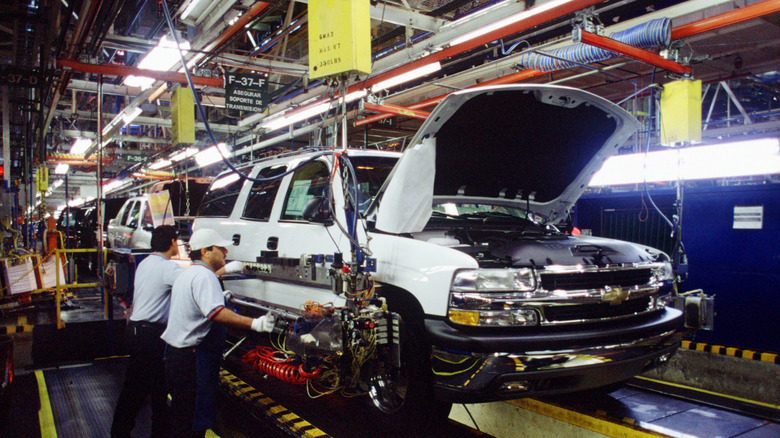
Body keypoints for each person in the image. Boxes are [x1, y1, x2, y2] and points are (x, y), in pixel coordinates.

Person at [161, 228, 275, 437]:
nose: (225, 251)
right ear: (206, 251)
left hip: (177, 356)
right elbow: (216, 314)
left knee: (182, 419)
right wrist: (255, 323)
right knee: (193, 422)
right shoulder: (204, 277)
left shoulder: (191, 273)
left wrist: (218, 295)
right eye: (220, 248)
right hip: (190, 361)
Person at [111, 225, 184, 438]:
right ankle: (119, 434)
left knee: (159, 390)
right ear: (172, 242)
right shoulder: (167, 268)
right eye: (177, 241)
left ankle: (159, 432)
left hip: (137, 332)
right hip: (149, 337)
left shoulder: (146, 263)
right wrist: (224, 270)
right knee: (136, 391)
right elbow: (193, 282)